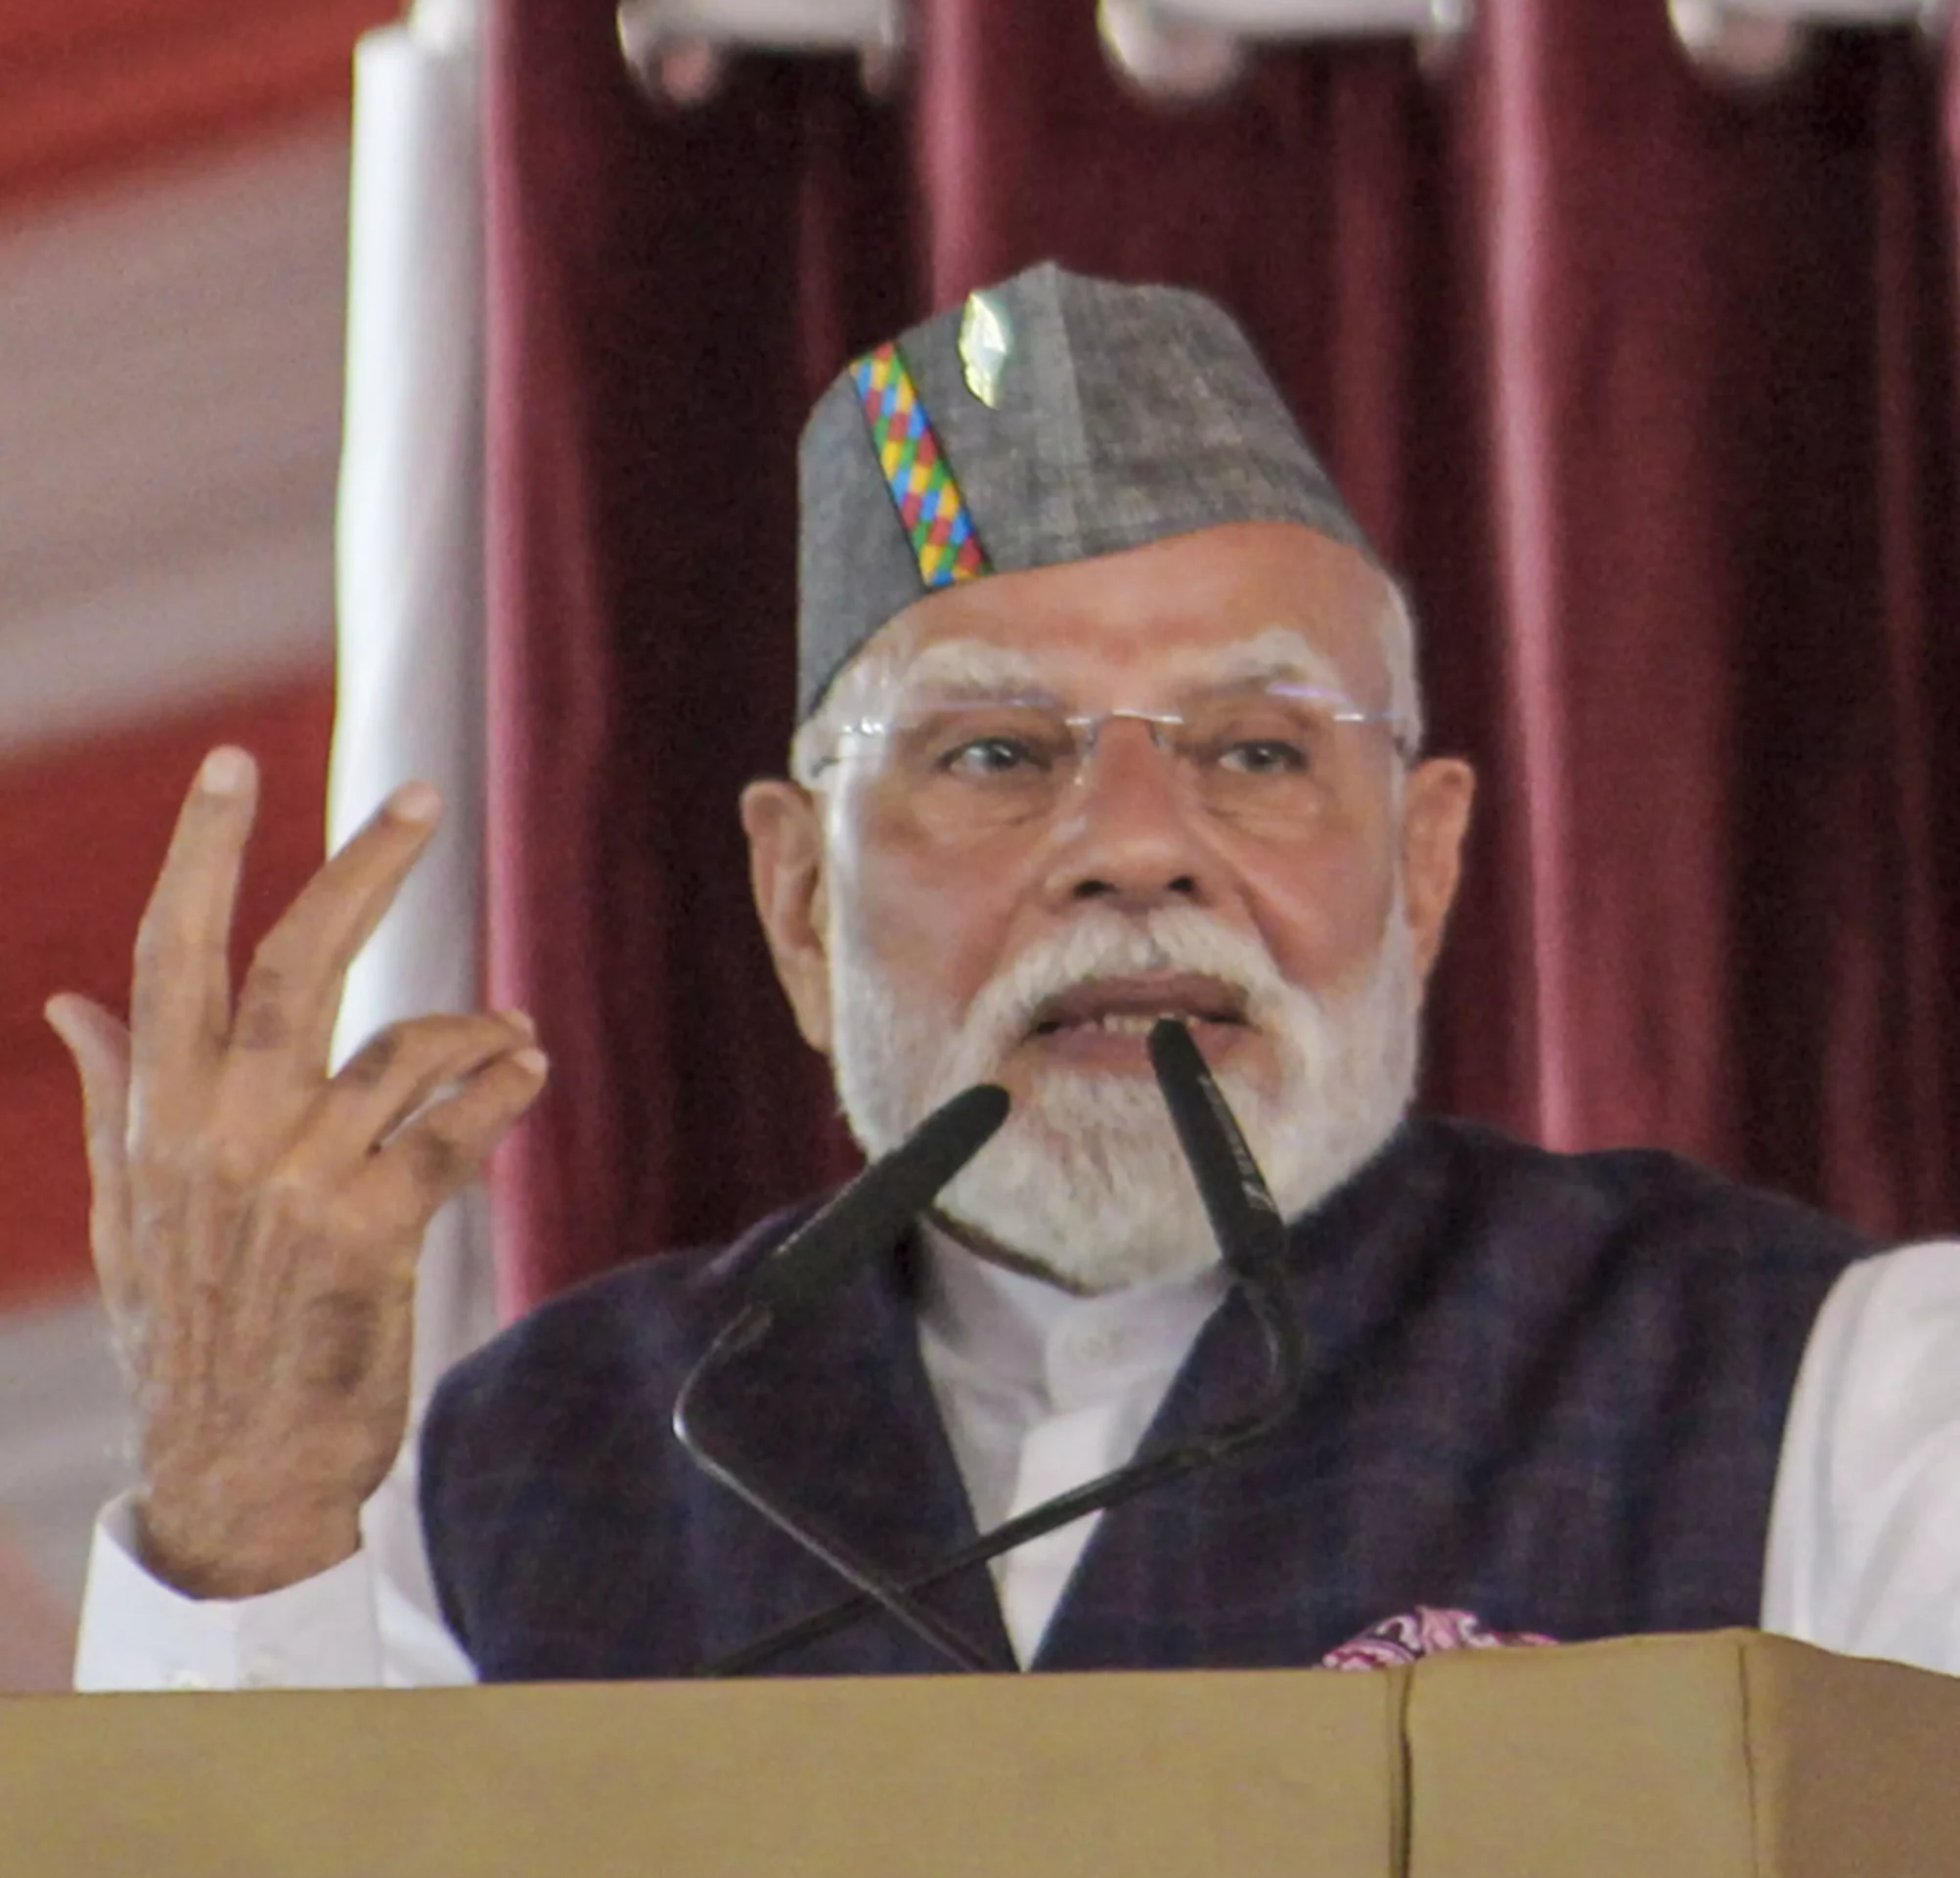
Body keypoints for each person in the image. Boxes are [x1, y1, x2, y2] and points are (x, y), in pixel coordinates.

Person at [62, 264, 1960, 1688]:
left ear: (1429, 856)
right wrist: (236, 1513)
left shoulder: (1845, 1391)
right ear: (799, 901)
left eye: (1256, 747)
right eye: (991, 751)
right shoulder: (489, 1477)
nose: (1135, 841)